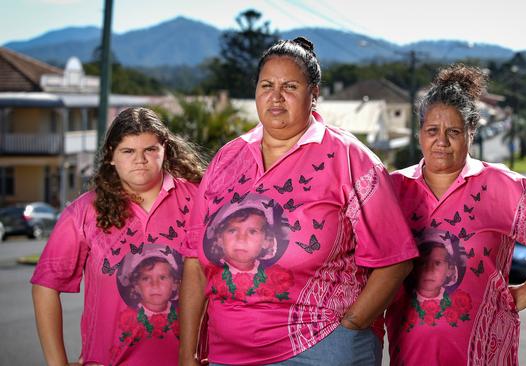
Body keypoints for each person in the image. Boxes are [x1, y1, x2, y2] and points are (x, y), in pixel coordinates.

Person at [179, 37, 418, 366]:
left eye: (290, 86)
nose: (276, 97)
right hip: (229, 354)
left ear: (314, 94)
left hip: (320, 350)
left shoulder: (349, 158)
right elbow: (194, 260)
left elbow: (395, 260)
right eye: (267, 85)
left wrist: (352, 326)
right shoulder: (226, 159)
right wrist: (187, 351)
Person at [385, 64, 526, 365]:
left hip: (485, 354)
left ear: (471, 132)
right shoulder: (394, 189)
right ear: (419, 133)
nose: (441, 141)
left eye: (453, 132)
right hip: (410, 351)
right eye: (432, 130)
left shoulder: (500, 186)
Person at [31, 107, 205, 366]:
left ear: (164, 150)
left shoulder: (199, 199)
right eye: (128, 151)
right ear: (111, 156)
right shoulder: (84, 211)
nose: (140, 160)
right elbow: (45, 285)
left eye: (150, 149)